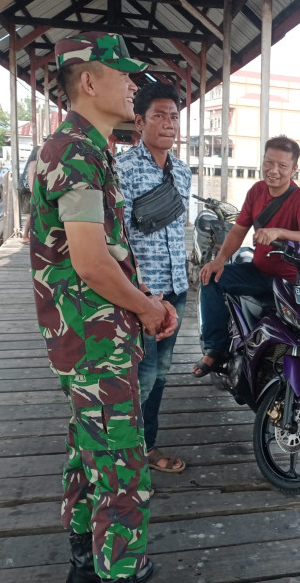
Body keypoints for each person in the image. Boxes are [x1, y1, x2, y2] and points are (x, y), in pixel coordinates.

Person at [29, 31, 178, 583]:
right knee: (121, 465)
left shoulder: (81, 146)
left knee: (89, 447)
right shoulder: (77, 151)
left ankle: (83, 558)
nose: (133, 84)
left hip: (87, 337)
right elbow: (91, 263)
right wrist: (146, 309)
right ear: (89, 82)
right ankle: (120, 569)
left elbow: (99, 252)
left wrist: (143, 302)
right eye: (123, 75)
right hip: (95, 341)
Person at [194, 135, 300, 376]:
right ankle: (215, 350)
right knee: (210, 279)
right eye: (268, 163)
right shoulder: (256, 191)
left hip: (289, 280)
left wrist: (280, 233)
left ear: (294, 169)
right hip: (258, 272)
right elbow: (238, 232)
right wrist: (219, 260)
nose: (273, 171)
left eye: (282, 166)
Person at [116, 82, 191, 474]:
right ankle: (126, 454)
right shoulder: (123, 169)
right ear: (139, 121)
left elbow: (180, 230)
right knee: (140, 375)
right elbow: (120, 239)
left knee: (161, 373)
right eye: (159, 115)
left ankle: (146, 445)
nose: (168, 123)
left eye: (174, 116)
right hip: (143, 294)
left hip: (176, 288)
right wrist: (142, 294)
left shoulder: (182, 171)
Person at [20, 144, 40, 244]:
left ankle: (27, 235)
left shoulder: (30, 163)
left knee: (31, 213)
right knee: (31, 214)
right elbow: (31, 181)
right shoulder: (34, 163)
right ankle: (25, 236)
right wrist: (34, 192)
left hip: (27, 190)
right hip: (29, 191)